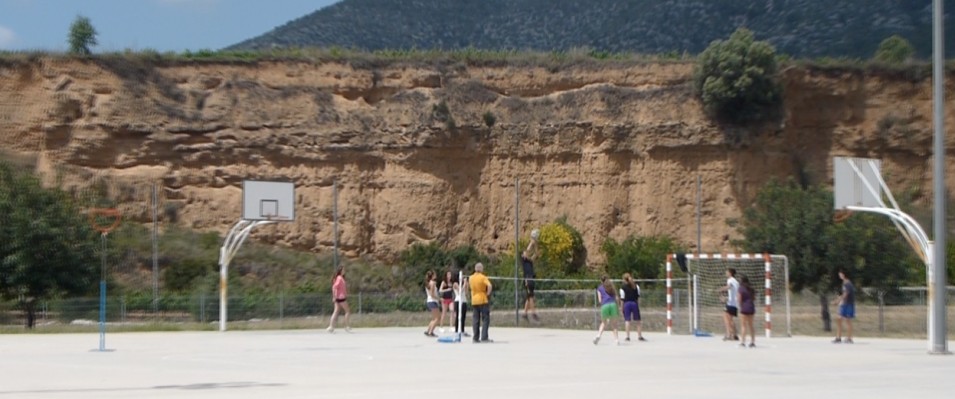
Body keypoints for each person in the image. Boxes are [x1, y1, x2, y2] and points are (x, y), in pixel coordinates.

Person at [593, 275, 621, 345]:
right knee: (614, 324)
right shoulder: (611, 286)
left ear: (601, 280)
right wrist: (618, 306)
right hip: (613, 304)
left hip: (605, 305)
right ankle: (616, 340)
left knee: (603, 322)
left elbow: (600, 300)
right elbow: (616, 298)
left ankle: (598, 335)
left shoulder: (599, 288)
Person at [469, 262, 493, 343]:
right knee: (485, 318)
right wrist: (488, 294)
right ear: (481, 269)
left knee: (475, 319)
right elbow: (489, 285)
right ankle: (484, 337)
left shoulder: (471, 278)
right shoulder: (483, 277)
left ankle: (475, 337)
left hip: (474, 299)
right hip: (482, 299)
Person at [619, 273, 646, 342]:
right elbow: (638, 297)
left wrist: (621, 308)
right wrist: (637, 305)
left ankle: (627, 336)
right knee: (638, 321)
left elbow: (622, 298)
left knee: (627, 320)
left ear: (624, 280)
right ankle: (639, 336)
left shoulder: (622, 288)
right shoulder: (636, 286)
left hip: (627, 304)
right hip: (634, 303)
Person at [521, 229, 540, 322]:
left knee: (529, 296)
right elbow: (527, 251)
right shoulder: (524, 259)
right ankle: (533, 313)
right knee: (530, 296)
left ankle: (524, 314)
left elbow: (536, 254)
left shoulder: (530, 261)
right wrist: (531, 243)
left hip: (531, 277)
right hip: (527, 278)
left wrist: (535, 243)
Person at [832, 270, 855, 344]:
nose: (839, 275)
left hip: (848, 304)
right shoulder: (844, 283)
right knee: (839, 319)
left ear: (844, 274)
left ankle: (849, 338)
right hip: (844, 303)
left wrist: (838, 301)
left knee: (848, 321)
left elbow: (845, 294)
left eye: (840, 274)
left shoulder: (848, 284)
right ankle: (838, 337)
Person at [327, 267, 351, 333]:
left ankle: (331, 327)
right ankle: (346, 326)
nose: (344, 271)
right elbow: (335, 287)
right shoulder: (340, 278)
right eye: (343, 270)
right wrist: (334, 296)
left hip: (339, 297)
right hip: (341, 297)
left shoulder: (340, 278)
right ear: (340, 271)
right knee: (347, 311)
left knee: (336, 311)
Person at [718, 268, 740, 341]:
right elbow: (733, 293)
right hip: (734, 303)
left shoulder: (731, 280)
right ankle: (735, 335)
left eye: (727, 272)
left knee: (726, 318)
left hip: (731, 304)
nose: (726, 273)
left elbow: (729, 287)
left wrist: (721, 289)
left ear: (730, 273)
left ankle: (729, 334)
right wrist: (726, 298)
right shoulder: (736, 282)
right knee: (730, 319)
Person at [738, 275, 756, 348]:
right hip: (751, 307)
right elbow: (754, 298)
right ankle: (752, 341)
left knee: (743, 325)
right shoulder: (751, 289)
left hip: (744, 307)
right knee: (751, 325)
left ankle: (743, 342)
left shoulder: (741, 289)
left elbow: (739, 299)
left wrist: (740, 306)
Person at [453, 271, 470, 337]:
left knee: (463, 316)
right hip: (458, 301)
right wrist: (464, 284)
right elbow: (460, 291)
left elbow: (466, 292)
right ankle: (457, 330)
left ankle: (462, 330)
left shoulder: (463, 284)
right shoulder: (455, 283)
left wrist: (467, 285)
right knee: (458, 316)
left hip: (464, 301)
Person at [424, 270, 440, 337]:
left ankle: (428, 331)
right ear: (432, 276)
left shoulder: (428, 283)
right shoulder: (432, 283)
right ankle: (431, 332)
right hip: (432, 301)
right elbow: (432, 294)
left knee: (434, 318)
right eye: (434, 274)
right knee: (437, 318)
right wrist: (439, 298)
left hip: (430, 301)